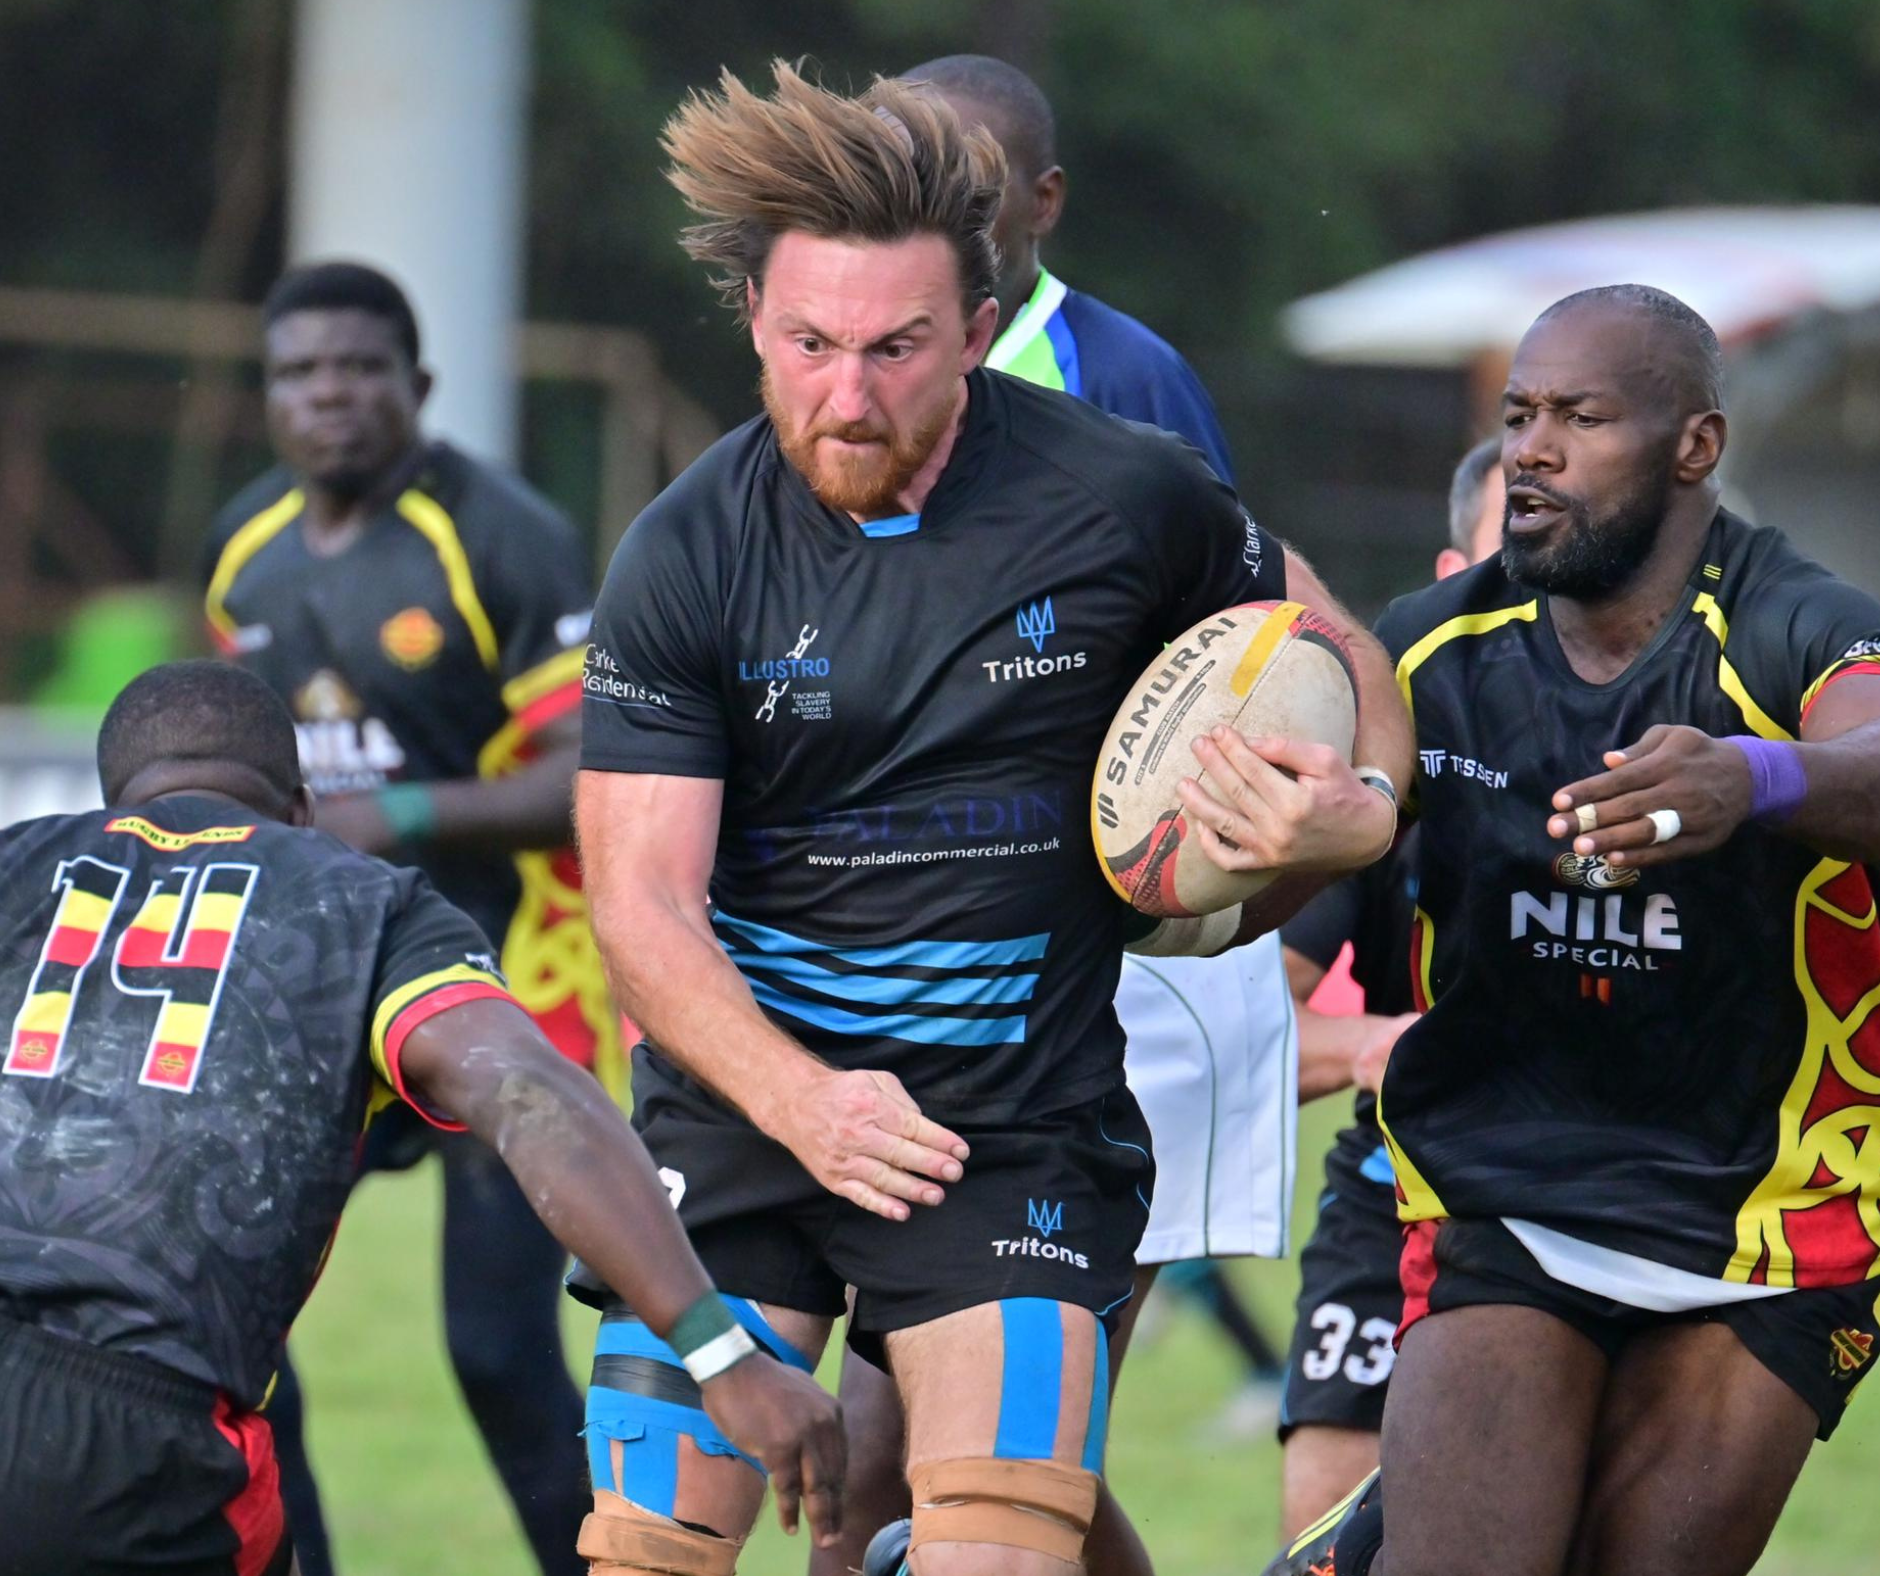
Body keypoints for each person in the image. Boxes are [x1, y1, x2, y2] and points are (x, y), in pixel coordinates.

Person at [573, 61, 1411, 1576]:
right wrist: (805, 1102)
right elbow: (640, 908)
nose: (850, 392)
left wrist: (1361, 819)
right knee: (644, 1551)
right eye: (811, 344)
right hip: (745, 1117)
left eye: (898, 348)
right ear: (754, 315)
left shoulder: (1125, 495)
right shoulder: (682, 554)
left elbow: (1336, 656)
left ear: (977, 328)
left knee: (1006, 1543)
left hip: (1011, 1125)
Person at [1266, 285, 1880, 1576]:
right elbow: (1276, 916)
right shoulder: (1431, 651)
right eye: (1521, 415)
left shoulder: (1792, 626)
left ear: (1695, 447)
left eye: (1582, 417)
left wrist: (1753, 780)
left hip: (1770, 1224)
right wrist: (1261, 841)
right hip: (1509, 1195)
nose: (1532, 449)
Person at [0, 661, 844, 1576]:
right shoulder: (364, 903)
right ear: (301, 808)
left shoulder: (18, 865)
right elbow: (532, 1097)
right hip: (129, 1446)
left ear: (111, 804)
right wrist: (723, 1355)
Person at [812, 56, 1301, 1576]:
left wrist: (1282, 888)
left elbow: (1247, 666)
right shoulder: (854, 367)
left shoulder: (1120, 380)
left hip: (1114, 982)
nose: (919, 201)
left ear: (1040, 202)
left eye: (959, 174)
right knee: (967, 1467)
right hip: (940, 964)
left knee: (942, 1461)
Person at [200, 261, 607, 1575]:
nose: (329, 396)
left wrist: (399, 818)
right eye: (300, 372)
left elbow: (583, 780)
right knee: (229, 1328)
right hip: (323, 990)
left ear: (417, 387)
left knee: (497, 1353)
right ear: (269, 395)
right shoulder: (244, 554)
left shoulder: (500, 534)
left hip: (510, 983)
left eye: (358, 369)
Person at [1273, 437, 1502, 1540]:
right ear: (1454, 569)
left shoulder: (1673, 749)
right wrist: (1380, 1045)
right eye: (1518, 552)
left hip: (1613, 1198)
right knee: (1324, 1520)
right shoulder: (1380, 763)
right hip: (1395, 1189)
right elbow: (1250, 1031)